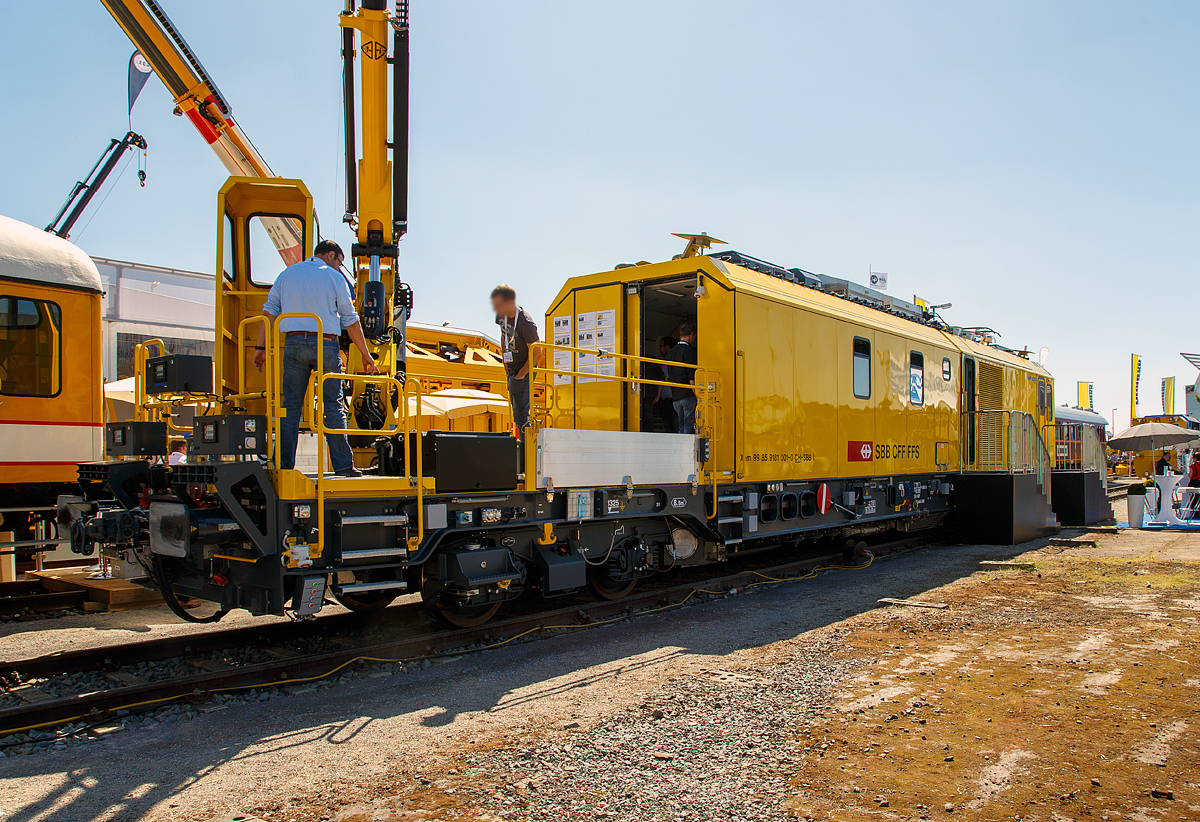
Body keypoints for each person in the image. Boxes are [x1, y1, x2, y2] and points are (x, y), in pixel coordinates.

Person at [254, 240, 379, 477]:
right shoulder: (333, 278)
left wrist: (260, 346)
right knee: (332, 403)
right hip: (324, 344)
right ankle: (343, 466)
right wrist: (366, 355)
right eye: (339, 262)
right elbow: (350, 320)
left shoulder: (286, 275)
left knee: (290, 406)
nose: (338, 267)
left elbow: (269, 312)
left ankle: (284, 466)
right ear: (331, 255)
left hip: (292, 344)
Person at [491, 284, 541, 439]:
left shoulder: (525, 323)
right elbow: (503, 335)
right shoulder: (501, 316)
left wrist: (521, 375)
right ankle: (524, 450)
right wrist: (505, 363)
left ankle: (528, 455)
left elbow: (537, 353)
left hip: (523, 369)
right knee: (517, 415)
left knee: (521, 415)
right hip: (511, 368)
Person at [667, 322, 698, 434]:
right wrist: (697, 394)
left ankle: (681, 449)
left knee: (681, 427)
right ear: (691, 334)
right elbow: (691, 375)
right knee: (689, 426)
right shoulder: (689, 352)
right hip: (687, 394)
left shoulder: (671, 353)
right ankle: (688, 451)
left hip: (676, 396)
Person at [653, 336, 678, 433]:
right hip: (666, 401)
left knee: (674, 426)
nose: (660, 349)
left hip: (672, 401)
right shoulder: (666, 363)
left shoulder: (673, 363)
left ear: (667, 347)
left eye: (661, 346)